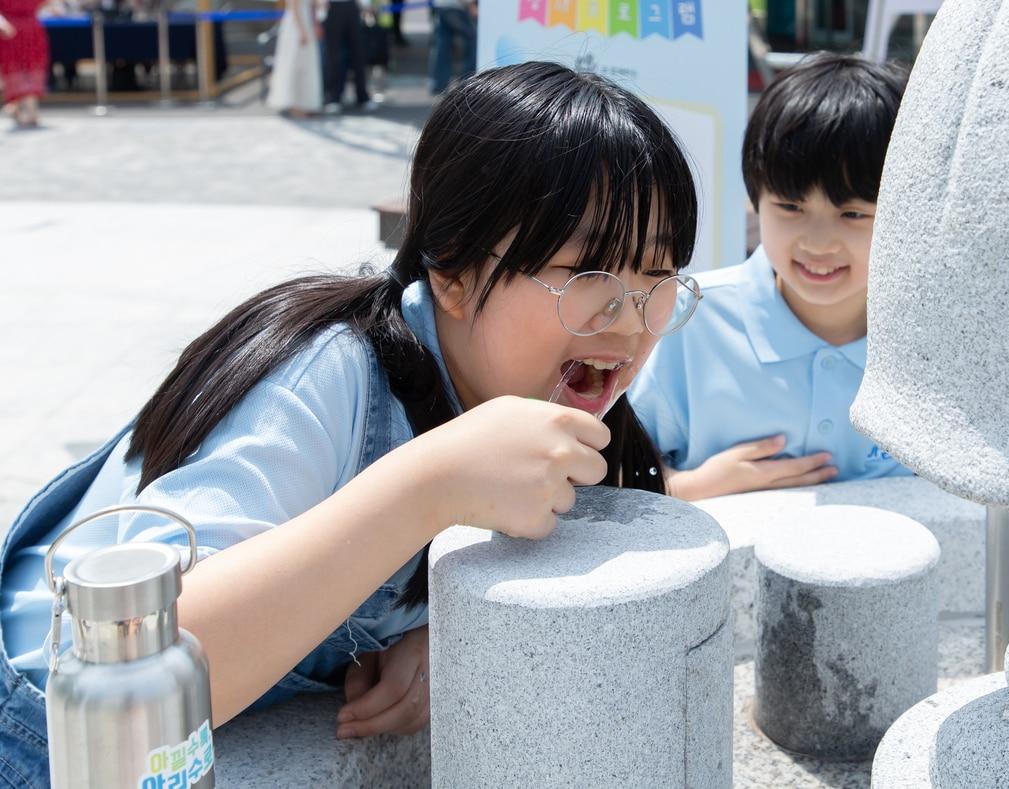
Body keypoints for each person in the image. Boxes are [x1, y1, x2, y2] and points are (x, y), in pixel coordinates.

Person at [0, 61, 703, 781]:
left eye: (657, 275)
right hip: (38, 737)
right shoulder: (329, 371)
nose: (629, 316)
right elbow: (135, 672)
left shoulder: (544, 384)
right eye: (588, 272)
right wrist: (430, 483)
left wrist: (448, 631)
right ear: (453, 274)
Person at [629, 53, 910, 501]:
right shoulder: (685, 320)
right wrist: (686, 486)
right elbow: (609, 478)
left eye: (853, 213)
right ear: (756, 198)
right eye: (791, 207)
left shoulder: (931, 340)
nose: (819, 243)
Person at [308, 0, 396, 114]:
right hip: (332, 9)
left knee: (358, 52)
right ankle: (333, 97)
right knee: (333, 55)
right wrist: (316, 16)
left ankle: (362, 95)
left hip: (351, 7)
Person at [267, 0, 322, 117]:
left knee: (305, 63)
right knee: (295, 62)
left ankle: (304, 102)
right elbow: (295, 4)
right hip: (297, 22)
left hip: (303, 20)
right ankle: (294, 103)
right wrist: (302, 30)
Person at [0, 0, 51, 128]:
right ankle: (26, 108)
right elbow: (42, 2)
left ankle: (27, 110)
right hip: (33, 27)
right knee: (31, 67)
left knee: (14, 68)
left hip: (10, 29)